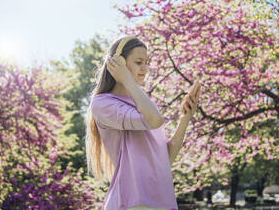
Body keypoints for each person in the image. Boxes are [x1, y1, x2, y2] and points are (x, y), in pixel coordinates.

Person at [85, 36, 201, 210]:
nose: (145, 69)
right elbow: (155, 120)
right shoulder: (103, 104)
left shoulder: (146, 105)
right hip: (132, 203)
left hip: (163, 202)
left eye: (146, 63)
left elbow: (165, 158)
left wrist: (185, 118)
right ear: (119, 63)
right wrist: (128, 80)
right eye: (139, 62)